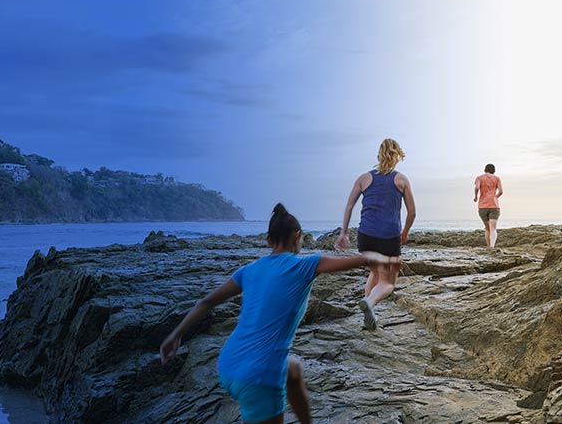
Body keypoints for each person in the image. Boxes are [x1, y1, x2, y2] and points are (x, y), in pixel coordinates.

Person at [160, 203, 389, 424]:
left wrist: (176, 334)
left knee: (293, 369)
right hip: (259, 377)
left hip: (228, 364)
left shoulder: (248, 271)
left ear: (269, 240)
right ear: (298, 236)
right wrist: (382, 255)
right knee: (277, 372)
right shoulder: (304, 265)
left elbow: (207, 301)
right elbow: (359, 260)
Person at [337, 138, 416, 331]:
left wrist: (344, 232)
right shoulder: (401, 179)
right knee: (388, 282)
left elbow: (349, 205)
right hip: (389, 236)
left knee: (374, 271)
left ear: (379, 155)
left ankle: (369, 314)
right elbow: (412, 212)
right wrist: (404, 232)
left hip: (366, 235)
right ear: (396, 156)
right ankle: (370, 303)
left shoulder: (364, 178)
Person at [474, 163, 503, 248]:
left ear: (485, 169)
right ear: (493, 170)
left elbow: (476, 187)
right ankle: (492, 247)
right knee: (493, 228)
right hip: (494, 205)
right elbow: (501, 191)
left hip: (483, 206)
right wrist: (495, 197)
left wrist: (476, 196)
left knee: (487, 229)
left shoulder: (479, 178)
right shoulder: (497, 178)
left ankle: (488, 246)